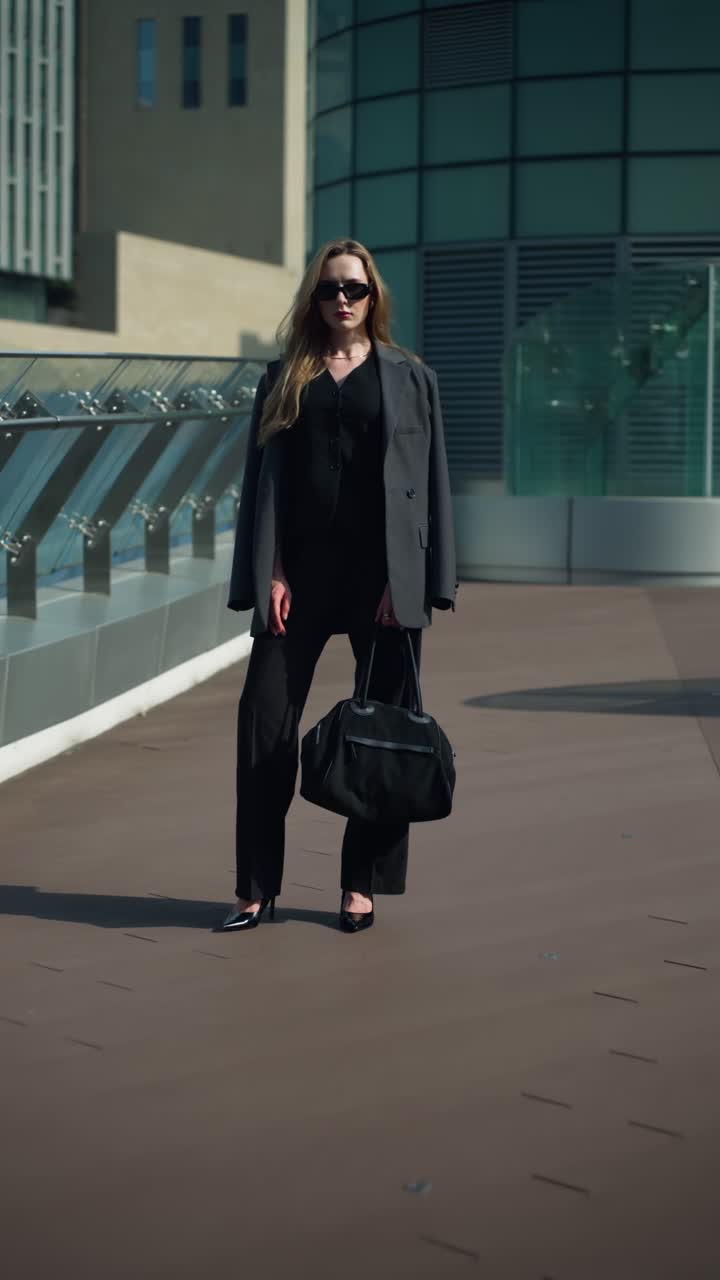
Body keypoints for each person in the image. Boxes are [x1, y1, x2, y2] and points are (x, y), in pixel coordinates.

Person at [218, 237, 457, 936]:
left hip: (382, 581)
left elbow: (433, 483)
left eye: (354, 288)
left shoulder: (411, 377)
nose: (342, 299)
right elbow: (263, 483)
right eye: (329, 289)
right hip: (299, 579)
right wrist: (271, 569)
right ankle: (255, 889)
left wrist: (418, 582)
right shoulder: (284, 376)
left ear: (373, 295)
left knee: (384, 731)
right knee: (263, 720)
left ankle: (361, 885)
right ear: (314, 299)